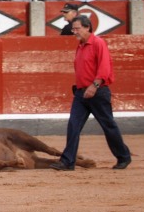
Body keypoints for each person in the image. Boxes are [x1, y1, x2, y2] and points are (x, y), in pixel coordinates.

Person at [50, 15, 131, 171]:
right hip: (81, 93)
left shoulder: (98, 43)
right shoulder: (80, 45)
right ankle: (67, 161)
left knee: (108, 125)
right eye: (73, 29)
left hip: (97, 92)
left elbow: (104, 68)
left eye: (77, 28)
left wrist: (94, 86)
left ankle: (123, 157)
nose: (74, 32)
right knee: (73, 125)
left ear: (87, 27)